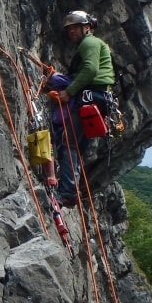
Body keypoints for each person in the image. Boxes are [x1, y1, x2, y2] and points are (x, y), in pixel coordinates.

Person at [47, 10, 115, 207]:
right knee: (75, 146)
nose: (71, 31)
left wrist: (69, 91)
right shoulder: (88, 45)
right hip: (97, 97)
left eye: (75, 27)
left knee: (69, 143)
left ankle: (67, 193)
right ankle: (70, 189)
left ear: (87, 27)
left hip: (90, 94)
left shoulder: (90, 43)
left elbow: (91, 69)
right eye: (69, 29)